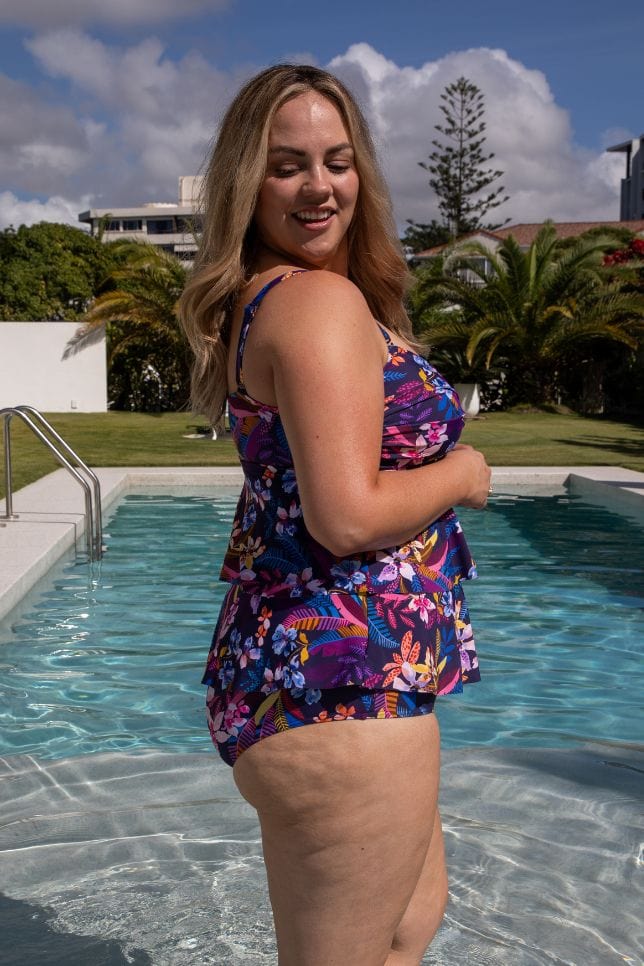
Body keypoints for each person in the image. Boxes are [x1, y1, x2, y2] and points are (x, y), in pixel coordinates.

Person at [179, 64, 491, 966]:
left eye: (338, 161)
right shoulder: (316, 302)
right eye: (288, 166)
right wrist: (463, 472)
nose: (321, 186)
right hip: (340, 681)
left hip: (331, 679)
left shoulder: (289, 297)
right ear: (248, 183)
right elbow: (347, 516)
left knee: (406, 930)